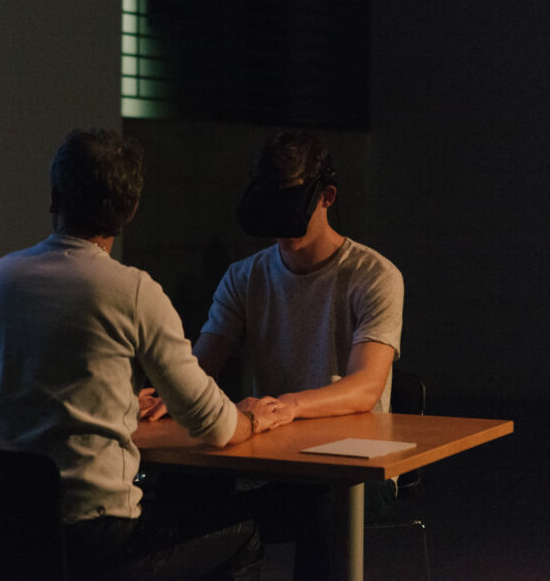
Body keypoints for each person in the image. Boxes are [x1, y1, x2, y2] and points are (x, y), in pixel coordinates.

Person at [0, 128, 291, 580]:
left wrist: (116, 399)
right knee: (243, 533)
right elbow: (213, 425)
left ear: (53, 198)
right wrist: (255, 418)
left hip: (8, 529)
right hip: (98, 538)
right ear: (131, 210)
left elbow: (20, 380)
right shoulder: (132, 290)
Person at [141, 129, 404, 580]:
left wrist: (287, 407)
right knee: (180, 487)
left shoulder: (373, 276)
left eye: (290, 200)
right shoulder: (245, 277)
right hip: (269, 457)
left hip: (356, 464)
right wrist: (175, 390)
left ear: (327, 197)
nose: (279, 215)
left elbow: (365, 387)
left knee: (323, 505)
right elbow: (205, 362)